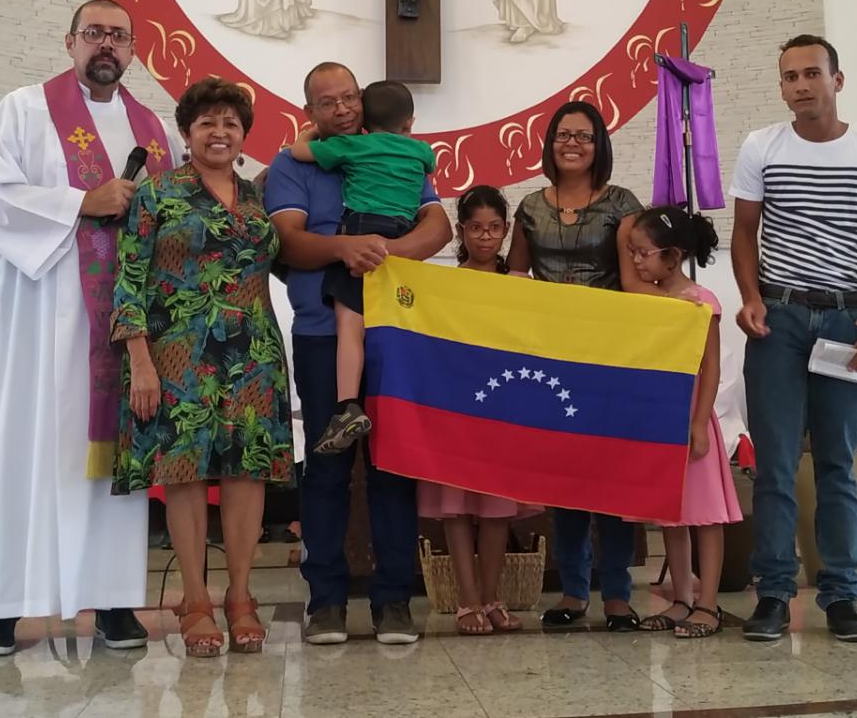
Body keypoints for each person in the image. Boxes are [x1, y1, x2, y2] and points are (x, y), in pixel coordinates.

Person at [0, 0, 180, 656]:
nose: (106, 44)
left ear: (132, 50)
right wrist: (82, 201)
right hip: (36, 315)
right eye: (94, 32)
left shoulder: (152, 129)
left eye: (118, 35)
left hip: (118, 323)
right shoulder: (24, 110)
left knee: (110, 458)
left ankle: (111, 601)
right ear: (70, 41)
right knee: (19, 447)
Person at [730, 34, 857, 643]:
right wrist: (751, 297)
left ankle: (841, 596)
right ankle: (773, 595)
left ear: (838, 80)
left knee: (837, 461)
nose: (801, 85)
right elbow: (744, 233)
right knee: (775, 463)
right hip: (779, 319)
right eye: (790, 77)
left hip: (847, 320)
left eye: (812, 73)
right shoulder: (762, 146)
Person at [264, 62, 451, 645]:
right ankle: (325, 602)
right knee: (326, 467)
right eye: (329, 102)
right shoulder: (291, 166)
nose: (343, 108)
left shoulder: (388, 150)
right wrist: (346, 247)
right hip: (323, 333)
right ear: (310, 112)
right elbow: (288, 242)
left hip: (394, 330)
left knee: (393, 466)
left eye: (350, 97)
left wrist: (383, 253)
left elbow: (438, 226)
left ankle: (394, 601)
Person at [111, 77, 294, 657]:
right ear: (187, 134)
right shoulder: (157, 194)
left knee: (247, 474)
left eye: (230, 123)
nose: (219, 132)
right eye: (207, 123)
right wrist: (140, 361)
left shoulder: (259, 198)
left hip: (253, 356)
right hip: (176, 355)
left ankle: (240, 596)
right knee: (184, 474)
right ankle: (194, 600)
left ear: (243, 136)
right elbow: (129, 280)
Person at [505, 100, 648, 631]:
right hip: (553, 357)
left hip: (610, 355)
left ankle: (618, 594)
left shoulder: (622, 203)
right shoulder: (529, 207)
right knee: (565, 478)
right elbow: (516, 280)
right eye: (564, 135)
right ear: (550, 143)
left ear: (599, 145)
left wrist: (687, 305)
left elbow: (633, 282)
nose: (573, 144)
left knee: (610, 474)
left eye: (584, 136)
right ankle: (572, 591)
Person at [286, 79, 435, 454]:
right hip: (401, 233)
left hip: (362, 231)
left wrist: (311, 132)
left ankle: (347, 407)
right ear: (409, 123)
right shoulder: (421, 153)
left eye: (350, 99)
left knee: (349, 324)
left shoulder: (354, 146)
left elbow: (299, 151)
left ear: (364, 117)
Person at [417, 185, 541, 635]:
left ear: (506, 231)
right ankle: (466, 602)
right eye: (475, 228)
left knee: (497, 510)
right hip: (457, 412)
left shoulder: (520, 286)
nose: (485, 237)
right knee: (456, 509)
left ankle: (492, 599)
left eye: (494, 228)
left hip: (505, 411)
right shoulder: (444, 286)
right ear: (461, 231)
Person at [628, 206, 742, 639]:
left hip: (691, 415)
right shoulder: (649, 300)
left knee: (705, 515)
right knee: (671, 514)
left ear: (673, 257)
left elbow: (710, 367)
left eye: (643, 253)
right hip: (659, 417)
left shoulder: (700, 301)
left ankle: (707, 603)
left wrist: (698, 423)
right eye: (632, 252)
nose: (636, 261)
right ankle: (680, 599)